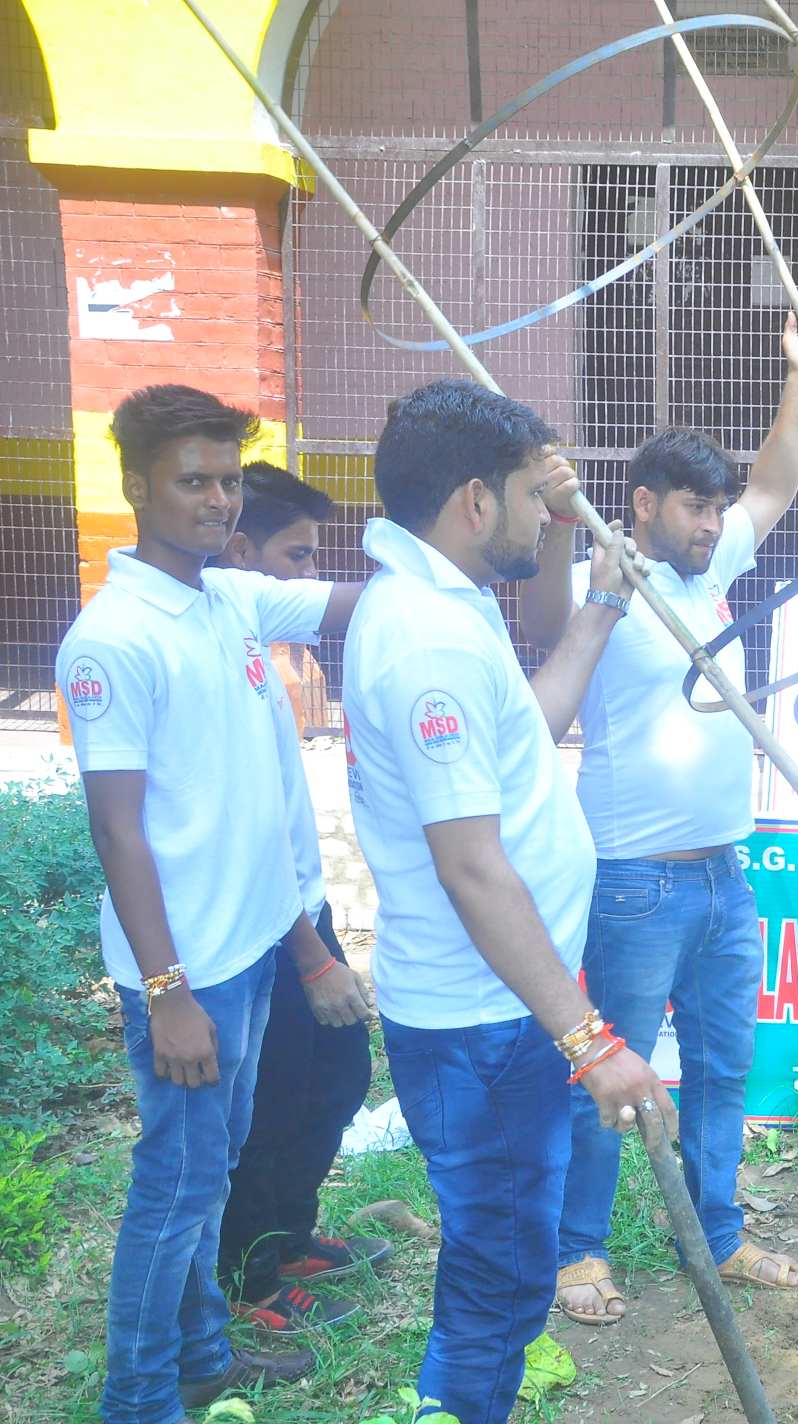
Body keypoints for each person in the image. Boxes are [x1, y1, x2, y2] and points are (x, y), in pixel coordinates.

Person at [340, 379, 675, 1424]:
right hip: (480, 1024)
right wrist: (589, 1039)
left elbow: (527, 728)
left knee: (507, 1252)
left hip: (505, 1005)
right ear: (476, 501)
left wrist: (603, 604)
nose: (547, 514)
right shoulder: (427, 640)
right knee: (500, 1271)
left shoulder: (446, 600)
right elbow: (472, 868)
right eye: (535, 494)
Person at [523, 316, 798, 1323]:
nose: (712, 525)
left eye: (715, 508)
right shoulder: (606, 580)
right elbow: (542, 634)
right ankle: (578, 1250)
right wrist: (560, 522)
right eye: (694, 508)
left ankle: (718, 1232)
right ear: (644, 503)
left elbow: (774, 485)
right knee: (607, 1071)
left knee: (720, 1068)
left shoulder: (710, 571)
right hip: (634, 879)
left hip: (722, 877)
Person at [57, 385, 363, 1422]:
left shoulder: (228, 599)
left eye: (228, 481)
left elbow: (350, 605)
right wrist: (167, 991)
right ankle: (138, 1397)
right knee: (174, 1188)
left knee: (211, 1170)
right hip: (185, 971)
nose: (218, 501)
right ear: (137, 485)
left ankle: (199, 1353)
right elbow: (118, 831)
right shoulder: (112, 638)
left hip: (248, 950)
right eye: (194, 481)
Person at [211, 462, 388, 1334]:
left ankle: (287, 1239)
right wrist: (311, 953)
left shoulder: (248, 629)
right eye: (297, 556)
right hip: (265, 923)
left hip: (300, 904)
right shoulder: (219, 630)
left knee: (340, 1072)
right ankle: (249, 1282)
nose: (311, 575)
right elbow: (241, 826)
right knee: (274, 1103)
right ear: (243, 555)